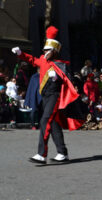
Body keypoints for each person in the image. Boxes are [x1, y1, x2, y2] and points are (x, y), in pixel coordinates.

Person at [12, 26, 86, 164]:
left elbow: (66, 78)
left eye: (48, 50)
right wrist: (21, 53)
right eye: (44, 49)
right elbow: (32, 60)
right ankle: (62, 153)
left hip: (55, 95)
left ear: (54, 51)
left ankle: (41, 154)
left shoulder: (60, 64)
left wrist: (56, 77)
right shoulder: (43, 60)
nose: (45, 52)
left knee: (45, 120)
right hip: (45, 95)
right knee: (54, 124)